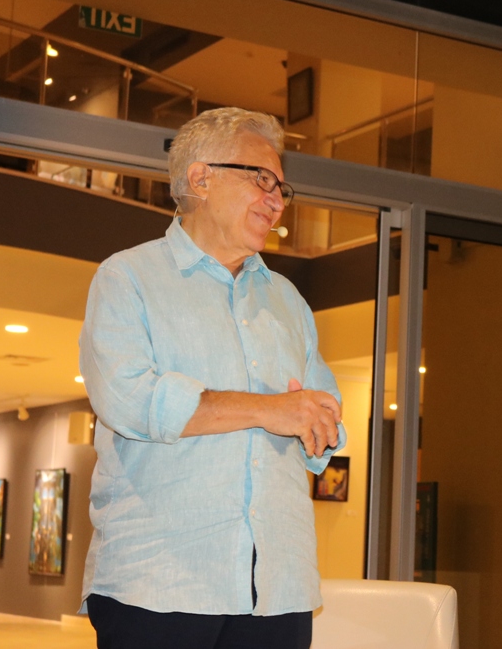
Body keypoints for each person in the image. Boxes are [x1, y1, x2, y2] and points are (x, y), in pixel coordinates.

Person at [79, 107, 346, 649]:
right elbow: (130, 401)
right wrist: (271, 410)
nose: (277, 201)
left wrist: (317, 426)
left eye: (282, 188)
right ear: (200, 179)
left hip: (278, 587)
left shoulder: (289, 301)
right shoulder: (127, 278)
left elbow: (323, 422)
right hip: (159, 584)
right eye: (261, 179)